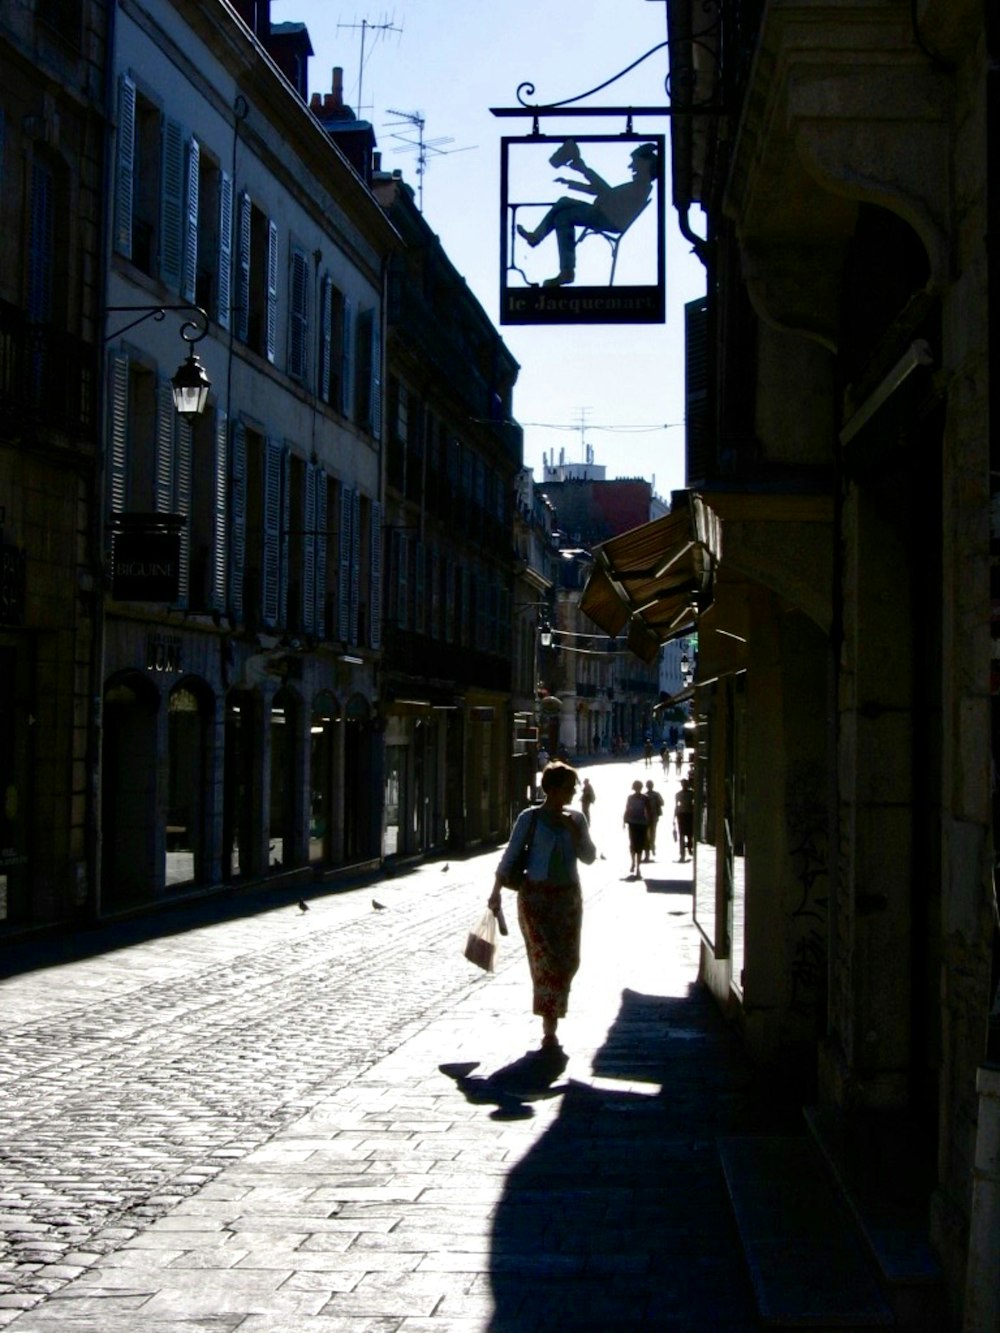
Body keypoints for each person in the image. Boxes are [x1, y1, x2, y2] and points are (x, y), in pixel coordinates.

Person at [490, 761, 596, 1053]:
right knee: (545, 961)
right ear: (552, 789)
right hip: (535, 899)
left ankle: (553, 1013)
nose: (574, 792)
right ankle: (549, 1026)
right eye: (569, 787)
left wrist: (574, 832)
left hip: (568, 899)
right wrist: (496, 892)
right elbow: (511, 855)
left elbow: (589, 857)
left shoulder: (576, 819)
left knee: (569, 960)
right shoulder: (530, 818)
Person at [516, 141, 659, 287]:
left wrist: (583, 168)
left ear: (646, 164)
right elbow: (603, 192)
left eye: (636, 163)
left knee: (564, 217)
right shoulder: (637, 186)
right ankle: (536, 237)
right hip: (603, 213)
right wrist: (573, 180)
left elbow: (605, 193)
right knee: (563, 202)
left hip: (608, 219)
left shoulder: (640, 188)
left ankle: (567, 271)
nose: (632, 167)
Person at [623, 779, 650, 879]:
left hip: (640, 824)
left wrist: (648, 822)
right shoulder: (630, 798)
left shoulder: (645, 798)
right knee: (633, 844)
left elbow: (648, 811)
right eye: (636, 787)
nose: (637, 789)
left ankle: (637, 866)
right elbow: (627, 809)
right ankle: (633, 863)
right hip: (633, 823)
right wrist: (624, 819)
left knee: (638, 846)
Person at [674, 777, 694, 862]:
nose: (684, 786)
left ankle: (689, 846)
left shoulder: (692, 793)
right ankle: (682, 853)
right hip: (681, 815)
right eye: (683, 784)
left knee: (689, 834)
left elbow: (694, 803)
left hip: (689, 814)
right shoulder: (678, 794)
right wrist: (674, 817)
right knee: (682, 834)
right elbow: (676, 805)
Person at [644, 780, 664, 859]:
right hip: (650, 817)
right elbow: (662, 803)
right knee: (651, 834)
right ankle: (650, 848)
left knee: (648, 834)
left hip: (651, 817)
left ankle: (649, 849)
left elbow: (662, 803)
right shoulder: (652, 795)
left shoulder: (650, 795)